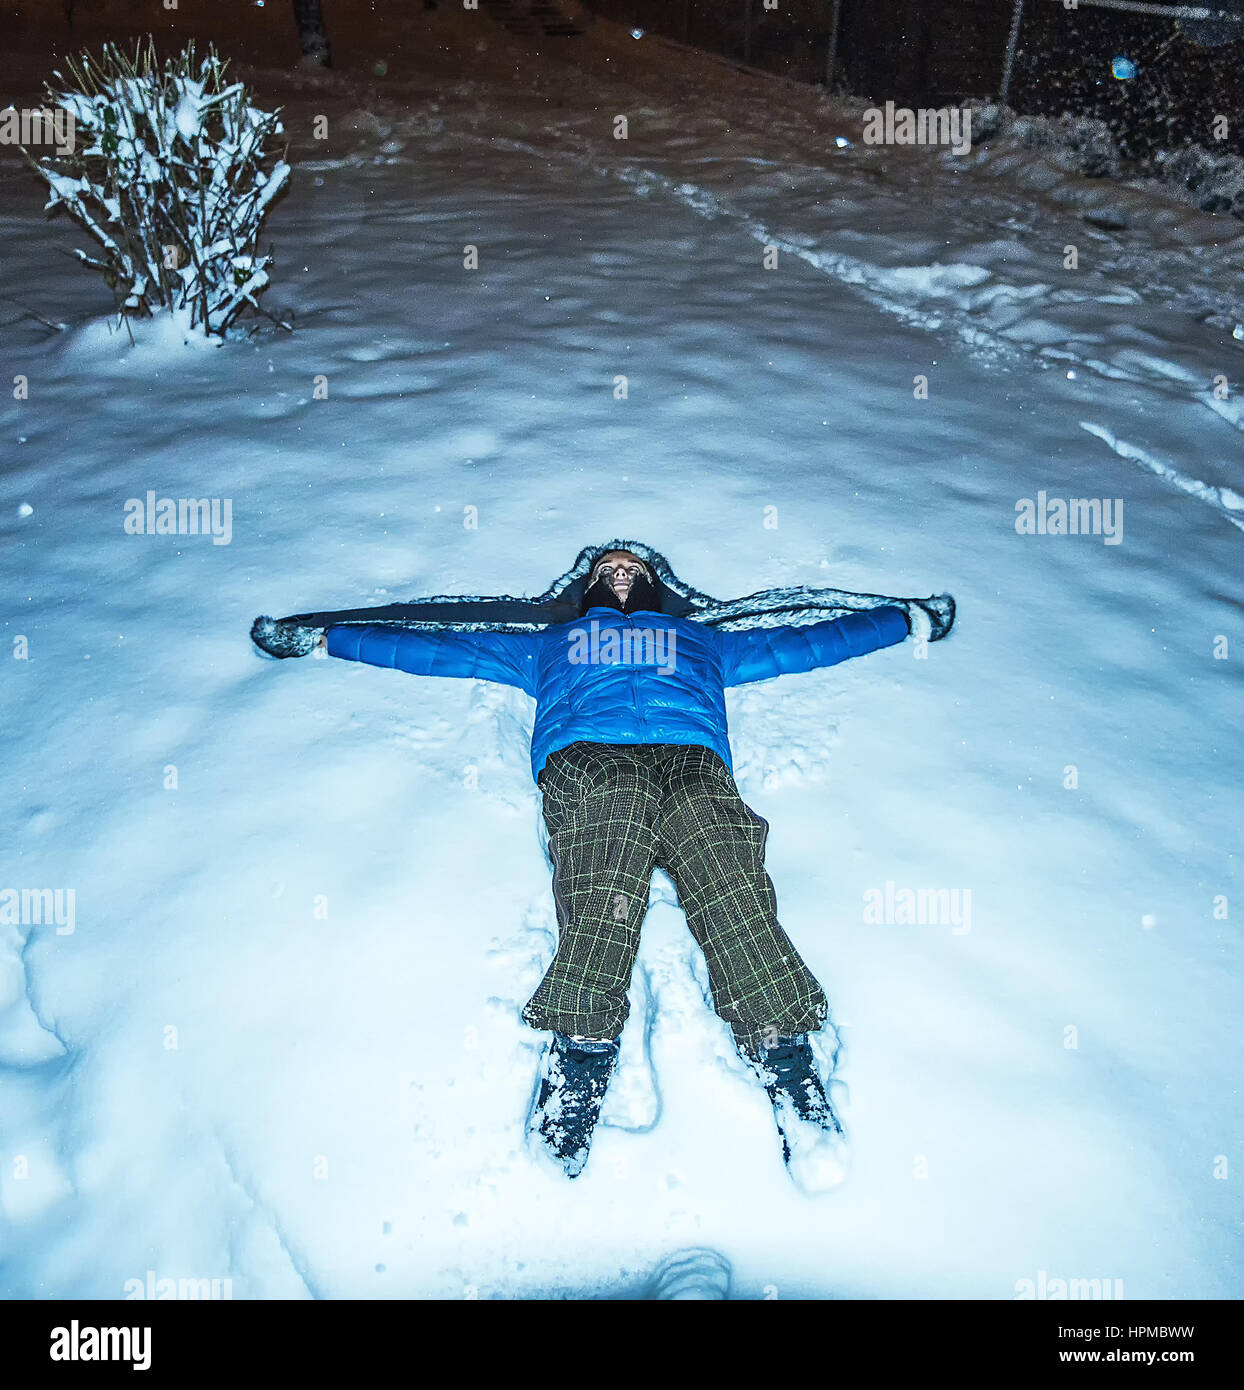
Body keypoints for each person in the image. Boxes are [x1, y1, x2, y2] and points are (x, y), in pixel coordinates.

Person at [309, 547, 916, 1182]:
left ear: (655, 585)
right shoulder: (554, 644)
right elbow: (446, 650)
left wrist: (905, 623)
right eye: (608, 568)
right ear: (589, 586)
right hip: (593, 760)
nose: (621, 572)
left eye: (633, 567)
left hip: (692, 761)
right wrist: (330, 638)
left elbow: (806, 645)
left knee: (730, 881)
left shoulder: (698, 640)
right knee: (601, 893)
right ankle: (581, 1055)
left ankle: (784, 1054)